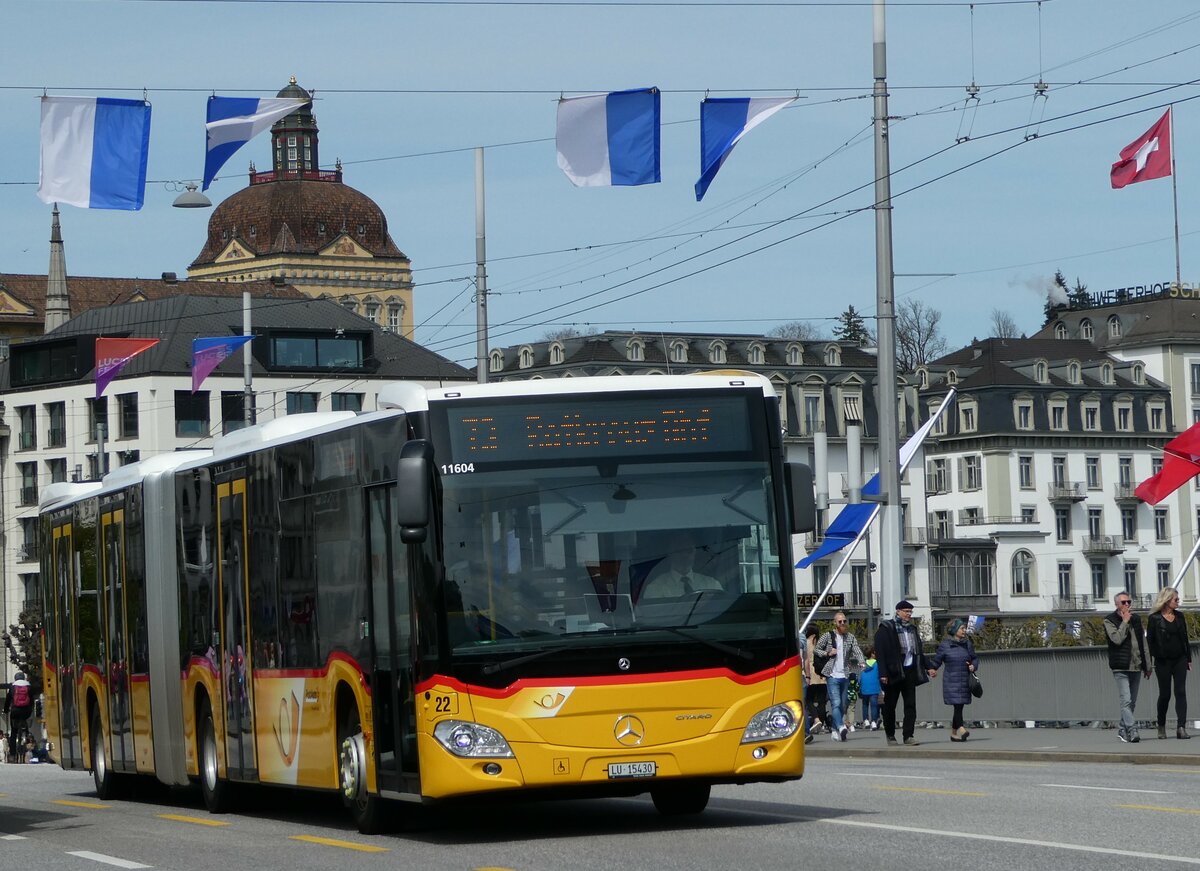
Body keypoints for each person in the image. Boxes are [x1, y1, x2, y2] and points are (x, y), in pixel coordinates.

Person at [874, 600, 936, 746]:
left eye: (910, 612)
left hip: (909, 672)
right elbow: (880, 653)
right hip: (893, 672)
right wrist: (883, 673)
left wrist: (929, 667)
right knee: (890, 706)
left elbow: (918, 652)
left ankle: (908, 735)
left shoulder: (912, 629)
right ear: (898, 612)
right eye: (906, 611)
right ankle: (890, 735)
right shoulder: (886, 628)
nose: (909, 614)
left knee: (910, 705)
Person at [1104, 590, 1152, 743]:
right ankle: (1132, 730)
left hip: (1136, 665)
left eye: (1129, 602)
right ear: (1117, 604)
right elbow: (1116, 639)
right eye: (1124, 602)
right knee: (1126, 700)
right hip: (1121, 666)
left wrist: (1148, 665)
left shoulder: (1136, 619)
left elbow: (1143, 643)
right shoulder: (1109, 620)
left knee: (1132, 701)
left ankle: (1122, 728)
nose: (1127, 605)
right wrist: (1124, 622)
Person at [1147, 587, 1192, 740]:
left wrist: (1188, 659)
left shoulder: (1180, 616)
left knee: (1180, 692)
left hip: (1180, 658)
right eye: (1176, 600)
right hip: (1163, 661)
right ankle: (1161, 725)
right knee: (1165, 694)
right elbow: (1150, 642)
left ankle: (1181, 727)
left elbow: (1185, 639)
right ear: (1167, 601)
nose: (1178, 602)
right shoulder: (1154, 618)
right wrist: (1149, 662)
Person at [813, 612, 865, 742]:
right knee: (835, 703)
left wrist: (862, 661)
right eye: (840, 621)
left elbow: (857, 650)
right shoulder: (828, 636)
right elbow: (816, 649)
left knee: (843, 705)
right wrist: (827, 653)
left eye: (844, 621)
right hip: (832, 675)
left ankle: (835, 729)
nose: (843, 623)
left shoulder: (850, 637)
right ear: (835, 623)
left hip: (845, 674)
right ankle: (841, 726)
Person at [929, 618, 980, 742]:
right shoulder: (945, 645)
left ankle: (953, 733)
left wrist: (974, 665)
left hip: (965, 679)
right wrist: (931, 669)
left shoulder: (967, 644)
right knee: (958, 706)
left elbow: (975, 658)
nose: (964, 631)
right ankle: (961, 728)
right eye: (962, 628)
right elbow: (937, 661)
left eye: (964, 628)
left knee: (959, 707)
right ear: (954, 630)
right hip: (951, 680)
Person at [639, 532, 722, 600]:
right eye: (679, 550)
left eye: (689, 550)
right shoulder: (655, 588)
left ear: (695, 552)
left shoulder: (711, 585)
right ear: (670, 553)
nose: (685, 555)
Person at [803, 623, 828, 738]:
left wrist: (807, 676)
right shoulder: (822, 644)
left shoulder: (807, 643)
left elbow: (806, 660)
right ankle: (821, 724)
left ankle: (816, 719)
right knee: (822, 701)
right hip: (822, 675)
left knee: (809, 700)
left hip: (812, 675)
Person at [4, 671, 34, 747]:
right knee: (26, 723)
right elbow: (31, 700)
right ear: (23, 678)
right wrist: (31, 708)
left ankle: (12, 754)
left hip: (15, 711)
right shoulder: (29, 686)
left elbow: (7, 700)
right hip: (26, 711)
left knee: (13, 732)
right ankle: (27, 735)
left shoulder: (12, 687)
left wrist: (6, 710)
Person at [859, 645, 882, 730]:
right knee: (874, 705)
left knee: (865, 704)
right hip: (874, 687)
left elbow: (860, 676)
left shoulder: (862, 664)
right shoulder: (877, 663)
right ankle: (873, 722)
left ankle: (866, 720)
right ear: (872, 654)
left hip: (864, 687)